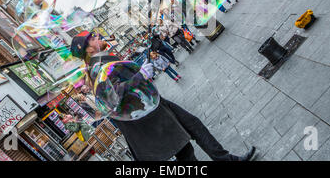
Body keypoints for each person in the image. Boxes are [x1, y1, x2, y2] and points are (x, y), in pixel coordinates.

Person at [69, 31, 257, 161]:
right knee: (185, 150)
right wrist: (140, 76)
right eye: (92, 38)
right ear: (88, 49)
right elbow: (111, 98)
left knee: (193, 127)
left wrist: (140, 74)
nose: (97, 36)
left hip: (154, 107)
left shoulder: (104, 60)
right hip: (146, 117)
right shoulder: (96, 69)